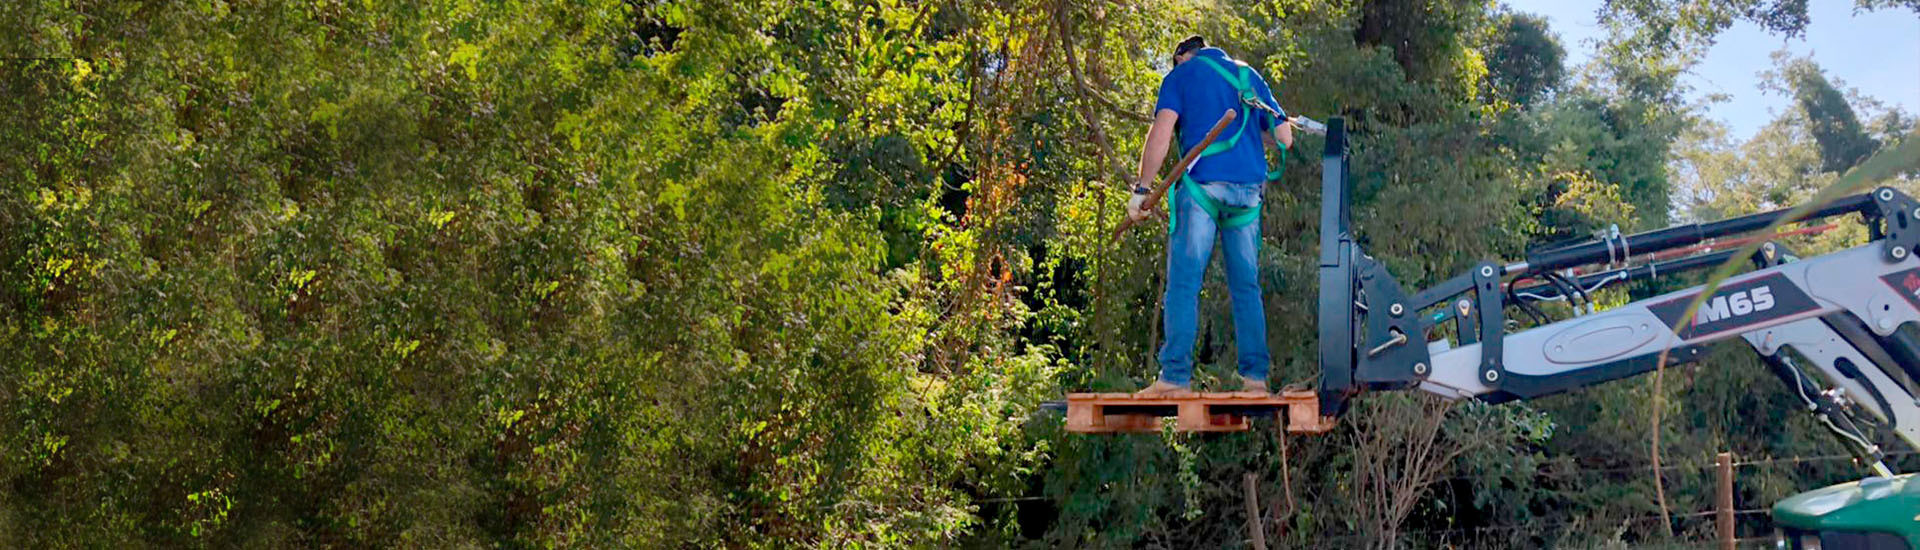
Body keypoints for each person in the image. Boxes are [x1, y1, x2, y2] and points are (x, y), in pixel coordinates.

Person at [1127, 35, 1293, 396]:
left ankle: (1173, 378)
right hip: (1248, 194)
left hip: (1203, 187)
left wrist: (1142, 189)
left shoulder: (1180, 76)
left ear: (1182, 56)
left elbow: (1162, 132)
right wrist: (1250, 131)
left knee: (1185, 283)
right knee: (1246, 286)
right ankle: (1255, 379)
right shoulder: (1247, 76)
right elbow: (1283, 137)